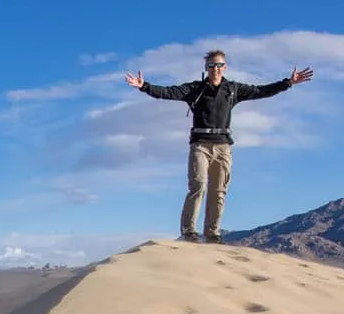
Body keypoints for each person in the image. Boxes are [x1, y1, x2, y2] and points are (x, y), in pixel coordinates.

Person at [125, 51, 313, 243]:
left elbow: (260, 91)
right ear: (206, 68)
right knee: (198, 186)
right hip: (200, 145)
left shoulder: (232, 89)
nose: (215, 69)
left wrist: (288, 83)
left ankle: (212, 234)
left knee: (218, 191)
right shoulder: (195, 89)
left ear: (225, 67)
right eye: (211, 65)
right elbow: (169, 92)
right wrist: (144, 86)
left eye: (219, 65)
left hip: (223, 146)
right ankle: (189, 232)